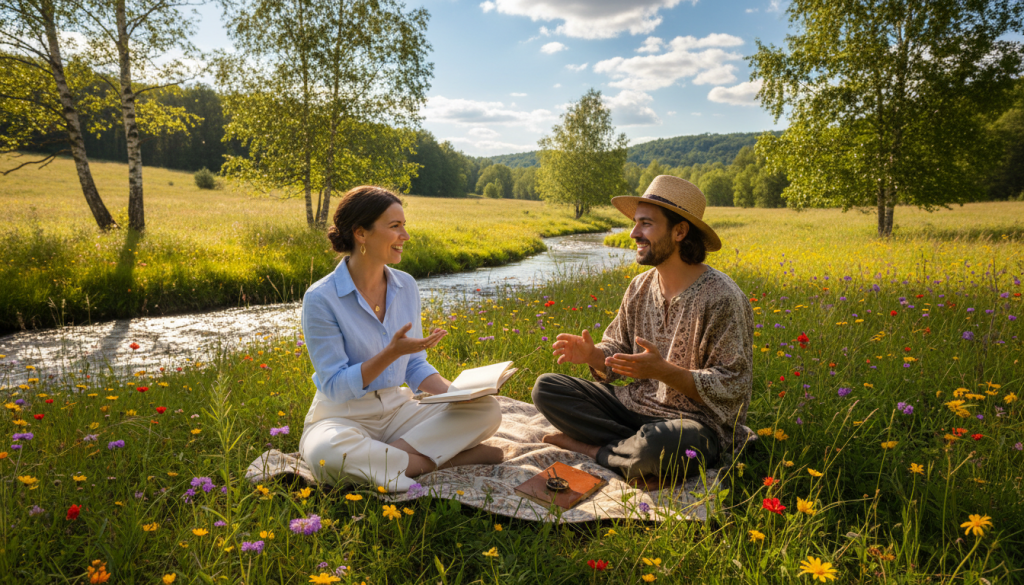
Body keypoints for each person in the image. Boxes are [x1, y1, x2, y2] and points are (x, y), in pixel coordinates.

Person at [533, 175, 753, 487]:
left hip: (693, 425)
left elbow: (733, 384)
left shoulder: (722, 297)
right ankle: (633, 454)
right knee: (547, 389)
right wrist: (595, 356)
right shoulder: (639, 286)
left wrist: (665, 371)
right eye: (635, 223)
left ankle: (592, 449)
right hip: (632, 407)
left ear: (679, 231)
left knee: (660, 447)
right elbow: (616, 346)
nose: (634, 233)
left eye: (646, 224)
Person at [299, 186, 503, 492]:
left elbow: (415, 366)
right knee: (327, 456)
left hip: (397, 410)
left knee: (487, 410)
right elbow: (334, 387)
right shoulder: (321, 298)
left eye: (404, 225)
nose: (405, 235)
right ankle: (445, 460)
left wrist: (460, 395)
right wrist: (390, 354)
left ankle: (387, 460)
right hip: (343, 416)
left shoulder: (405, 285)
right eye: (395, 226)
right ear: (361, 233)